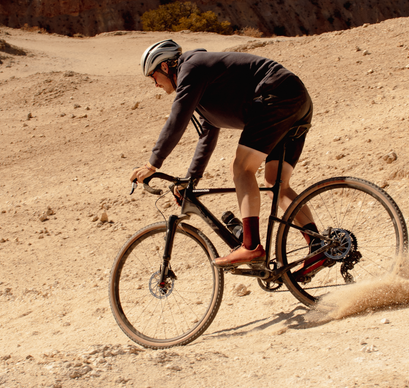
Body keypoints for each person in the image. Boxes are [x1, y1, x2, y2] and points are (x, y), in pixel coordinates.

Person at [129, 39, 317, 268]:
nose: (155, 84)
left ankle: (251, 247)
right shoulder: (202, 82)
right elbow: (207, 135)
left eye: (153, 76)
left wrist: (152, 164)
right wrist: (191, 179)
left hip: (276, 96)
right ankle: (318, 247)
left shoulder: (192, 67)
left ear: (165, 66)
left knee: (241, 168)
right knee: (276, 184)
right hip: (294, 98)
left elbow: (177, 118)